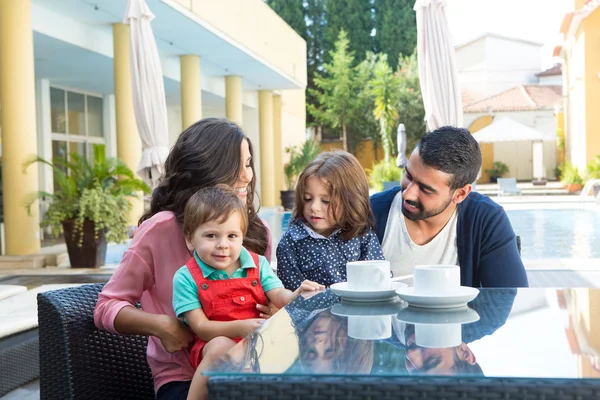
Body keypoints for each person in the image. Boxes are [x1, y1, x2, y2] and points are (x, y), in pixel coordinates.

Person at [94, 118, 276, 400]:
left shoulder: (256, 232)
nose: (247, 176)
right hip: (182, 379)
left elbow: (265, 303)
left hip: (249, 370)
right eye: (235, 165)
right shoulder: (160, 230)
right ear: (206, 168)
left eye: (249, 163)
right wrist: (161, 325)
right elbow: (106, 306)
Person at [173, 185, 322, 399]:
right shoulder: (186, 278)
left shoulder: (258, 264)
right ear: (190, 238)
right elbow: (202, 328)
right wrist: (242, 328)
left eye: (232, 236)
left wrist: (294, 295)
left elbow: (278, 295)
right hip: (212, 345)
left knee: (295, 341)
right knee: (221, 346)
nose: (223, 245)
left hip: (258, 343)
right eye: (211, 235)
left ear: (242, 236)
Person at [370, 126, 528, 287]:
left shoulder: (485, 219)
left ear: (460, 194)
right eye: (408, 175)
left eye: (426, 189)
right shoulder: (370, 212)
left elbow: (509, 296)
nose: (408, 194)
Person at [277, 151, 384, 290]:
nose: (314, 207)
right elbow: (291, 297)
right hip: (314, 311)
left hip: (359, 309)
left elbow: (380, 280)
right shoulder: (290, 243)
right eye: (307, 198)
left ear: (351, 201)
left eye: (326, 201)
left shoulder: (362, 235)